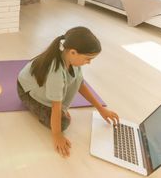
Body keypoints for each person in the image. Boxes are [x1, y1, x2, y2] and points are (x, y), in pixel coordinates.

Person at [17, 26, 119, 158]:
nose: (89, 63)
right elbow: (56, 106)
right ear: (73, 52)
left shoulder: (71, 60)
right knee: (63, 123)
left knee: (62, 112)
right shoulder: (56, 72)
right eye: (88, 59)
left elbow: (80, 83)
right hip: (25, 90)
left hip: (39, 83)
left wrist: (101, 109)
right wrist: (57, 135)